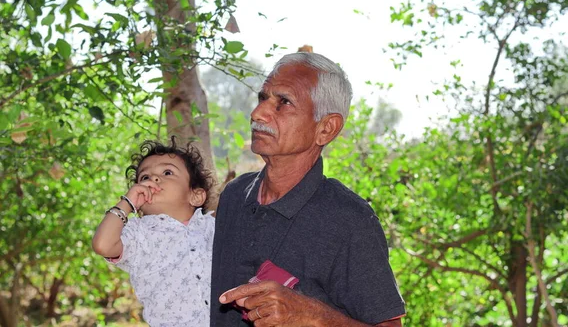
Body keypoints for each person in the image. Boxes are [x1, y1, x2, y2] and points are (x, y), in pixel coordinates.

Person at [211, 52, 406, 326]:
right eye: (262, 98)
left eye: (284, 103)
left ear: (326, 129)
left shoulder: (350, 221)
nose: (258, 113)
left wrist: (310, 315)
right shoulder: (234, 195)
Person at [92, 138, 215, 326]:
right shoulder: (139, 233)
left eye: (167, 172)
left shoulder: (211, 227)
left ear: (195, 196)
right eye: (145, 177)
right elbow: (103, 245)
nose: (154, 179)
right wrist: (126, 203)